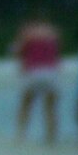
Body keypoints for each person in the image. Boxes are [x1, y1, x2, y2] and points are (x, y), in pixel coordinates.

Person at [11, 14, 61, 144]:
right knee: (50, 106)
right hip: (50, 72)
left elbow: (18, 51)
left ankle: (21, 134)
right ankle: (51, 137)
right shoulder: (52, 32)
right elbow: (57, 52)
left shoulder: (28, 32)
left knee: (26, 104)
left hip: (33, 71)